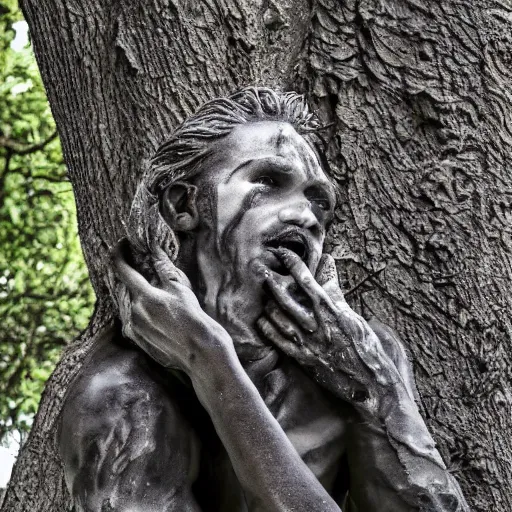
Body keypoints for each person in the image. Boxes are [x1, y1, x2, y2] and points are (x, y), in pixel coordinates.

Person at [59, 87, 469, 511]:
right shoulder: (119, 397)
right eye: (269, 182)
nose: (307, 216)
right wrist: (211, 362)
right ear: (184, 204)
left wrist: (378, 391)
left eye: (319, 202)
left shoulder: (361, 358)